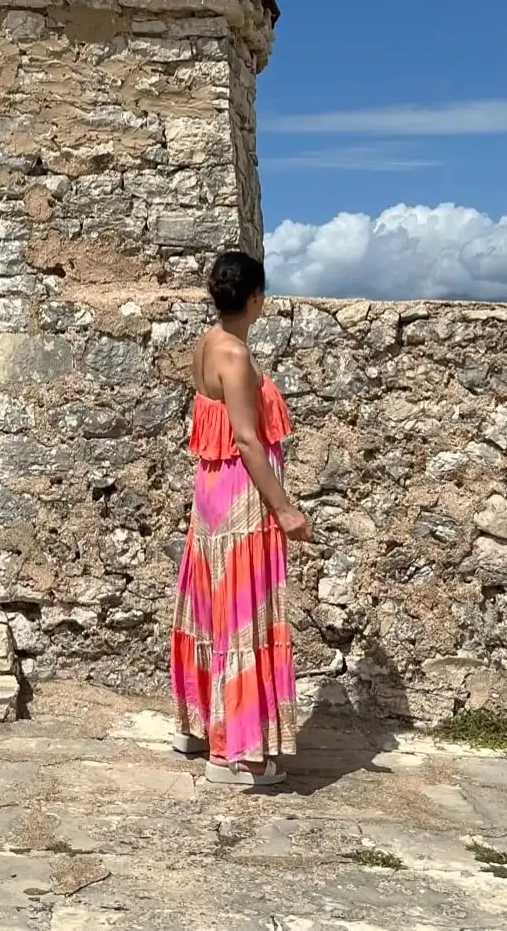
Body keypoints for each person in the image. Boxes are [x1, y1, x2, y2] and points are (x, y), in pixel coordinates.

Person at [170, 250, 311, 788]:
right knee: (243, 614)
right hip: (240, 497)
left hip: (210, 490)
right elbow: (249, 441)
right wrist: (285, 507)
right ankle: (239, 754)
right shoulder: (235, 355)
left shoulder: (207, 344)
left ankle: (204, 725)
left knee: (213, 608)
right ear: (256, 298)